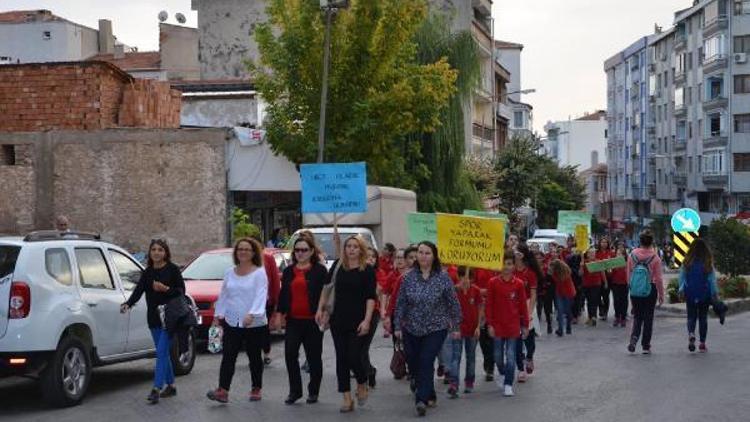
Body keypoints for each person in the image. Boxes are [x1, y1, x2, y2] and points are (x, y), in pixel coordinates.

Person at [393, 241, 461, 417]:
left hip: (435, 328)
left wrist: (455, 326)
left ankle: (421, 400)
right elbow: (400, 303)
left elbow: (453, 303)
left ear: (434, 256)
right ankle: (429, 392)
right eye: (421, 252)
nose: (423, 256)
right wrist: (397, 325)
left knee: (426, 360)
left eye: (427, 253)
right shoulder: (408, 277)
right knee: (414, 363)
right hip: (411, 327)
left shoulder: (443, 277)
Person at [315, 235, 376, 413]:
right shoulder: (337, 266)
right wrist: (320, 309)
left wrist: (367, 320)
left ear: (361, 250)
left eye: (355, 247)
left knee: (354, 356)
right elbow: (326, 289)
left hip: (359, 320)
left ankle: (362, 381)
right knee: (341, 358)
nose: (351, 249)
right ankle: (347, 398)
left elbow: (370, 297)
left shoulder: (367, 270)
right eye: (348, 246)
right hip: (338, 319)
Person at [121, 239, 185, 404]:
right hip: (154, 318)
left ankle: (156, 388)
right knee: (163, 352)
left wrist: (166, 289)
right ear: (150, 253)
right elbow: (138, 290)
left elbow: (181, 292)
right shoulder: (148, 272)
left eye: (160, 250)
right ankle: (171, 386)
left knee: (162, 352)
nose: (157, 252)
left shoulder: (172, 270)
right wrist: (128, 303)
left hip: (170, 318)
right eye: (154, 250)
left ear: (166, 253)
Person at [207, 238, 269, 403]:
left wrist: (253, 313)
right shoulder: (229, 272)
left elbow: (261, 295)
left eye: (247, 249)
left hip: (253, 322)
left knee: (254, 356)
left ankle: (256, 388)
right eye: (240, 249)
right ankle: (223, 390)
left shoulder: (259, 273)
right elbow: (225, 295)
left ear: (253, 253)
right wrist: (217, 316)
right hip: (232, 320)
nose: (242, 252)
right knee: (228, 355)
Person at [278, 235, 328, 405]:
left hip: (312, 321)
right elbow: (283, 294)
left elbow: (326, 293)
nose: (300, 253)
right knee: (290, 354)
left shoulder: (320, 271)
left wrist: (323, 312)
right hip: (293, 320)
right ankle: (295, 391)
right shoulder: (288, 271)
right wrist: (279, 315)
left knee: (314, 357)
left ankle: (313, 391)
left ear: (311, 251)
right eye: (297, 250)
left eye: (304, 250)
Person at [486, 252, 529, 397]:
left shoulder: (519, 284)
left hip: (513, 326)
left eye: (509, 264)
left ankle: (508, 384)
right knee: (498, 356)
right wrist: (490, 324)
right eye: (503, 263)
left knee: (511, 356)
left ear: (514, 266)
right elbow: (489, 305)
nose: (506, 267)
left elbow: (523, 306)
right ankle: (503, 373)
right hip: (497, 326)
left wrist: (525, 325)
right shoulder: (492, 282)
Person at [447, 266, 483, 398]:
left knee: (471, 357)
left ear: (472, 278)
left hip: (472, 330)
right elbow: (449, 308)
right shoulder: (454, 291)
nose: (465, 280)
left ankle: (469, 381)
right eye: (462, 277)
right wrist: (451, 325)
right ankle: (454, 384)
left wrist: (478, 326)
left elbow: (480, 309)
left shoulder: (476, 291)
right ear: (458, 277)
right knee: (455, 357)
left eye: (467, 277)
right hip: (457, 329)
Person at [626, 230, 664, 354]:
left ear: (640, 241)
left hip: (635, 289)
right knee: (648, 317)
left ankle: (634, 339)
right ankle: (646, 346)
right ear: (651, 242)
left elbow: (629, 274)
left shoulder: (632, 255)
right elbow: (658, 278)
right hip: (650, 289)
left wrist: (631, 288)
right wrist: (661, 294)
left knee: (637, 316)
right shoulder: (655, 257)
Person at [678, 239, 718, 353]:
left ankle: (691, 334)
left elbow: (682, 278)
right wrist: (714, 293)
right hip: (704, 294)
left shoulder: (687, 262)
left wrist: (681, 290)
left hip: (690, 293)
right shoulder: (707, 262)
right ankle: (702, 343)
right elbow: (712, 281)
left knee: (691, 317)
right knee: (703, 318)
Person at [512, 244, 542, 381]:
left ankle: (529, 357)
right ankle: (520, 367)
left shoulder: (530, 273)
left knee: (529, 338)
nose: (515, 254)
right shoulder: (510, 271)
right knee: (517, 338)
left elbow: (533, 293)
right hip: (513, 307)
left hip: (528, 304)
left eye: (517, 252)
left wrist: (529, 312)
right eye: (514, 252)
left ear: (523, 254)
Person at [364, 246, 386, 387]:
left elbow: (377, 291)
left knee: (363, 348)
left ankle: (368, 372)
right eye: (367, 256)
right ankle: (369, 370)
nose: (370, 259)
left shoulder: (380, 273)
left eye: (373, 256)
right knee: (356, 349)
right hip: (356, 312)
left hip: (373, 312)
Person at [473, 267, 497, 382]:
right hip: (480, 307)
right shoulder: (475, 267)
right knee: (484, 339)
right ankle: (488, 362)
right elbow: (470, 283)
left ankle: (491, 367)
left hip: (495, 306)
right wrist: (480, 291)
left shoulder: (497, 266)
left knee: (492, 338)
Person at [550, 259, 576, 336]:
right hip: (560, 293)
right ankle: (560, 329)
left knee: (567, 312)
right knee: (560, 312)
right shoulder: (556, 272)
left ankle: (568, 327)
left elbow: (558, 280)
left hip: (568, 293)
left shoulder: (565, 271)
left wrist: (552, 274)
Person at [580, 248, 605, 327]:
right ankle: (590, 317)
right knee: (589, 301)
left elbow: (602, 272)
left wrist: (605, 282)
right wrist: (581, 266)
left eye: (593, 253)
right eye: (590, 253)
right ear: (587, 255)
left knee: (594, 300)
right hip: (586, 284)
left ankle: (593, 317)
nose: (592, 255)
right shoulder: (584, 262)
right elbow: (580, 274)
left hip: (596, 284)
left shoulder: (598, 261)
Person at [610, 245, 629, 327]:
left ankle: (623, 317)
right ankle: (617, 317)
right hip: (615, 283)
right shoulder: (613, 262)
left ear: (624, 255)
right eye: (617, 253)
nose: (619, 255)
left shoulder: (627, 262)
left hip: (624, 283)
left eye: (621, 254)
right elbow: (610, 273)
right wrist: (610, 269)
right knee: (616, 300)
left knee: (624, 300)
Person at [596, 238, 615, 321]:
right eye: (602, 242)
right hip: (598, 277)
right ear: (599, 243)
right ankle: (601, 308)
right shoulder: (596, 253)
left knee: (605, 296)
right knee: (597, 296)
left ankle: (605, 312)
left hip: (608, 277)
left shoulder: (611, 253)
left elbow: (614, 264)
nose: (604, 244)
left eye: (605, 242)